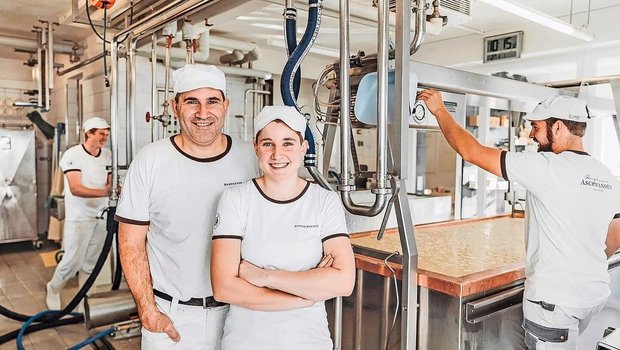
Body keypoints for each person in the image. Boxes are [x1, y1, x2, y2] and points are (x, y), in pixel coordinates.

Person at [416, 90, 620, 349]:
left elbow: (471, 152)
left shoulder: (547, 166)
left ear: (557, 127)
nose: (533, 134)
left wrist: (440, 111)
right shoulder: (606, 176)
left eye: (536, 127)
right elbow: (615, 236)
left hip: (554, 305)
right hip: (592, 297)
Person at [115, 64, 258, 349]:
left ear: (226, 105)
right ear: (174, 106)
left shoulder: (251, 158)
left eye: (212, 101)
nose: (203, 113)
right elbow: (130, 243)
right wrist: (148, 310)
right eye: (191, 101)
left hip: (239, 314)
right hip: (172, 316)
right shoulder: (151, 160)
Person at [210, 105, 356, 350]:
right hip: (246, 342)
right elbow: (224, 288)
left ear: (303, 148)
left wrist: (262, 276)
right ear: (256, 148)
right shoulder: (236, 199)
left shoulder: (324, 201)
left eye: (288, 143)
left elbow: (343, 282)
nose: (278, 154)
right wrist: (305, 294)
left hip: (309, 341)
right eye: (268, 144)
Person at [46, 117, 112, 310]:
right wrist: (107, 192)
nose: (104, 138)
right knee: (72, 262)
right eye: (101, 134)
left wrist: (113, 188)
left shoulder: (107, 155)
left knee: (91, 263)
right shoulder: (73, 155)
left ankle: (83, 302)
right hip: (80, 218)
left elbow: (110, 181)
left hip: (101, 216)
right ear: (89, 133)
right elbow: (76, 188)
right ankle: (53, 289)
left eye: (106, 134)